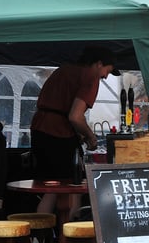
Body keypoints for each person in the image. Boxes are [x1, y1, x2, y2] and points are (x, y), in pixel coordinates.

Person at [31, 45, 120, 215]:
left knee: (49, 189)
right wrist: (90, 136)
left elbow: (63, 109)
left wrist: (79, 132)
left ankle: (40, 237)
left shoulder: (62, 70)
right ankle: (69, 235)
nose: (105, 77)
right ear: (99, 64)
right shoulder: (90, 77)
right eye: (107, 72)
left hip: (39, 130)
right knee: (73, 187)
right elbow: (75, 116)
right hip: (58, 134)